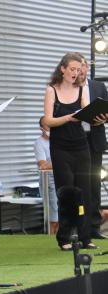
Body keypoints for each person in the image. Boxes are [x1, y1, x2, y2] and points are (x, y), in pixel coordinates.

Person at [43, 52, 102, 251]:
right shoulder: (52, 89)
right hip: (60, 147)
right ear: (62, 69)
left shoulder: (80, 90)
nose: (76, 73)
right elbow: (48, 121)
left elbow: (89, 113)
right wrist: (69, 117)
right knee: (67, 192)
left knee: (84, 191)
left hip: (80, 146)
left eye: (78, 70)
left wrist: (99, 117)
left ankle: (85, 237)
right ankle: (64, 236)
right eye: (72, 69)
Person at [77, 53, 108, 240]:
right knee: (78, 184)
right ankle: (78, 226)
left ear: (87, 67)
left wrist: (104, 117)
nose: (80, 70)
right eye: (76, 67)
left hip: (94, 139)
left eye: (83, 66)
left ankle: (94, 227)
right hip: (75, 139)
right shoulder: (68, 88)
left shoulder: (98, 86)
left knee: (94, 183)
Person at [34, 116, 59, 234]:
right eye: (47, 125)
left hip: (62, 178)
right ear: (41, 128)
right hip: (49, 180)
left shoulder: (59, 140)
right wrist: (63, 161)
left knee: (63, 212)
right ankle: (51, 236)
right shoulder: (40, 143)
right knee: (53, 213)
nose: (50, 128)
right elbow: (43, 165)